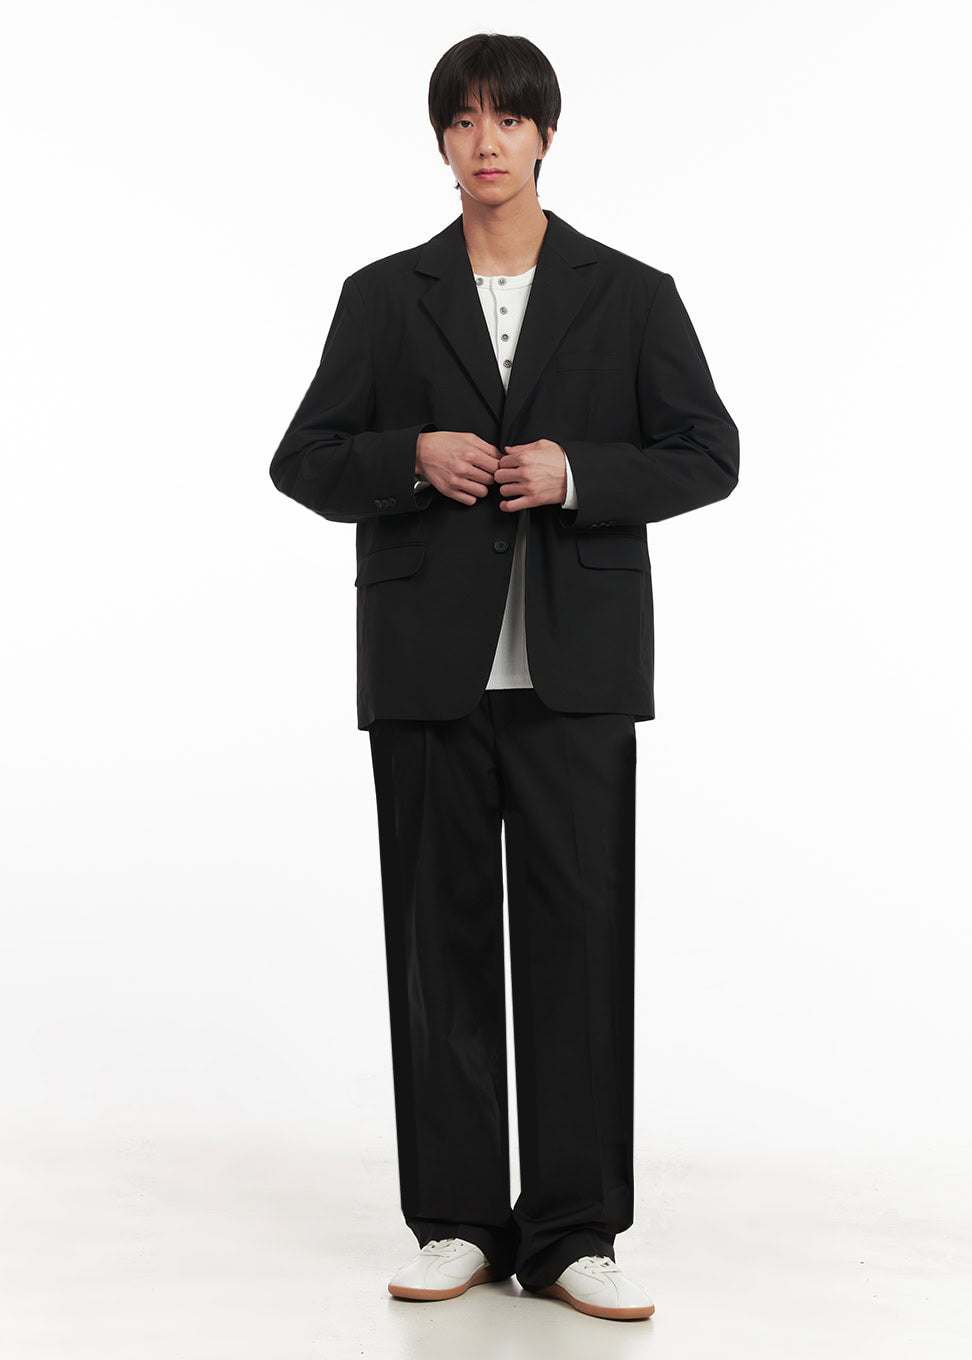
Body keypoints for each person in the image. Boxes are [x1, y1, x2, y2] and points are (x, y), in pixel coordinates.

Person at [269, 31, 739, 1323]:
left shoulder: (630, 293)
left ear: (546, 135)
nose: (488, 142)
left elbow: (709, 451)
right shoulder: (384, 296)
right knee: (441, 947)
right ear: (441, 140)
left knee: (579, 948)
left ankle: (576, 1232)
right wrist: (409, 458)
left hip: (576, 672)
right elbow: (302, 459)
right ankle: (457, 1221)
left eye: (509, 119)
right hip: (428, 669)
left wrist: (578, 475)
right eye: (465, 120)